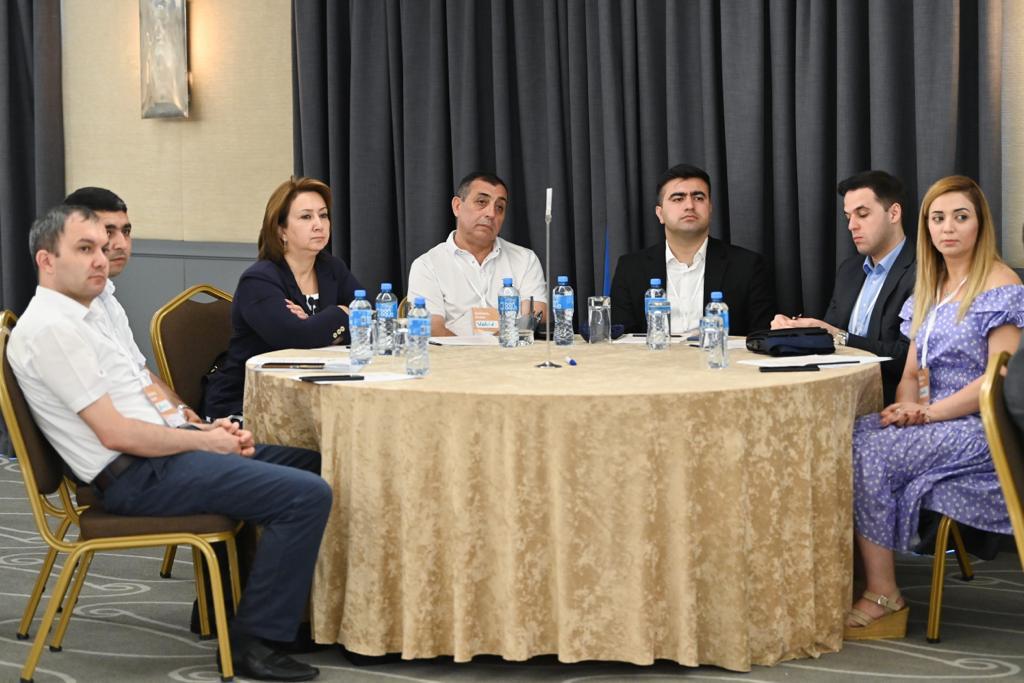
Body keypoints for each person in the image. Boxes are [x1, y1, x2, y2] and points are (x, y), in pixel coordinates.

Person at [9, 205, 332, 681]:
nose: (101, 258)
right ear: (47, 260)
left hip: (160, 456)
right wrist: (204, 445)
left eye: (102, 246)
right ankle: (255, 641)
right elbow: (116, 433)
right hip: (137, 477)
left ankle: (278, 611)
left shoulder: (83, 317)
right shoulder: (54, 330)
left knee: (317, 464)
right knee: (306, 496)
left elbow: (138, 405)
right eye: (85, 248)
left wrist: (201, 431)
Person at [845, 176, 1023, 640]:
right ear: (926, 227)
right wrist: (906, 408)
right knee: (850, 433)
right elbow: (911, 373)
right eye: (938, 218)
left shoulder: (1001, 283)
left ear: (980, 224)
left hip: (979, 425)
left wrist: (929, 413)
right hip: (932, 420)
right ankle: (856, 573)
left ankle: (884, 595)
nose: (948, 228)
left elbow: (998, 379)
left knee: (871, 451)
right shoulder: (930, 286)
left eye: (960, 217)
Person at [203, 177, 362, 419]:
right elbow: (298, 338)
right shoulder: (258, 281)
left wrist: (313, 324)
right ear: (281, 230)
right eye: (306, 217)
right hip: (248, 403)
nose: (319, 225)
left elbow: (369, 317)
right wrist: (340, 313)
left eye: (323, 215)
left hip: (310, 396)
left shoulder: (331, 268)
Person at [771, 171, 915, 403]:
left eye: (862, 214)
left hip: (890, 398)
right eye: (848, 216)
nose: (851, 225)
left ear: (894, 213)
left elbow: (907, 357)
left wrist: (839, 337)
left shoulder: (923, 270)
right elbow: (830, 337)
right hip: (836, 391)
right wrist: (796, 331)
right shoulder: (849, 270)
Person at [64, 187, 203, 424]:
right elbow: (112, 424)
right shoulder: (65, 320)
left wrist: (183, 416)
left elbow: (141, 374)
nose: (122, 244)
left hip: (158, 429)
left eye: (126, 231)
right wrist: (185, 436)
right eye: (108, 232)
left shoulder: (108, 299)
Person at [610, 163, 775, 336]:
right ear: (660, 213)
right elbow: (620, 338)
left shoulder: (747, 266)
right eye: (678, 199)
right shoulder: (630, 268)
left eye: (698, 198)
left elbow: (762, 336)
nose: (689, 205)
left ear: (710, 209)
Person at [406, 171, 548, 337]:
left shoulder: (525, 259)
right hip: (452, 354)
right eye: (481, 202)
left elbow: (535, 315)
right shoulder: (427, 265)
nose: (491, 213)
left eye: (499, 207)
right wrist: (475, 351)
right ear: (457, 207)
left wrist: (497, 347)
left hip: (510, 351)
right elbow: (431, 329)